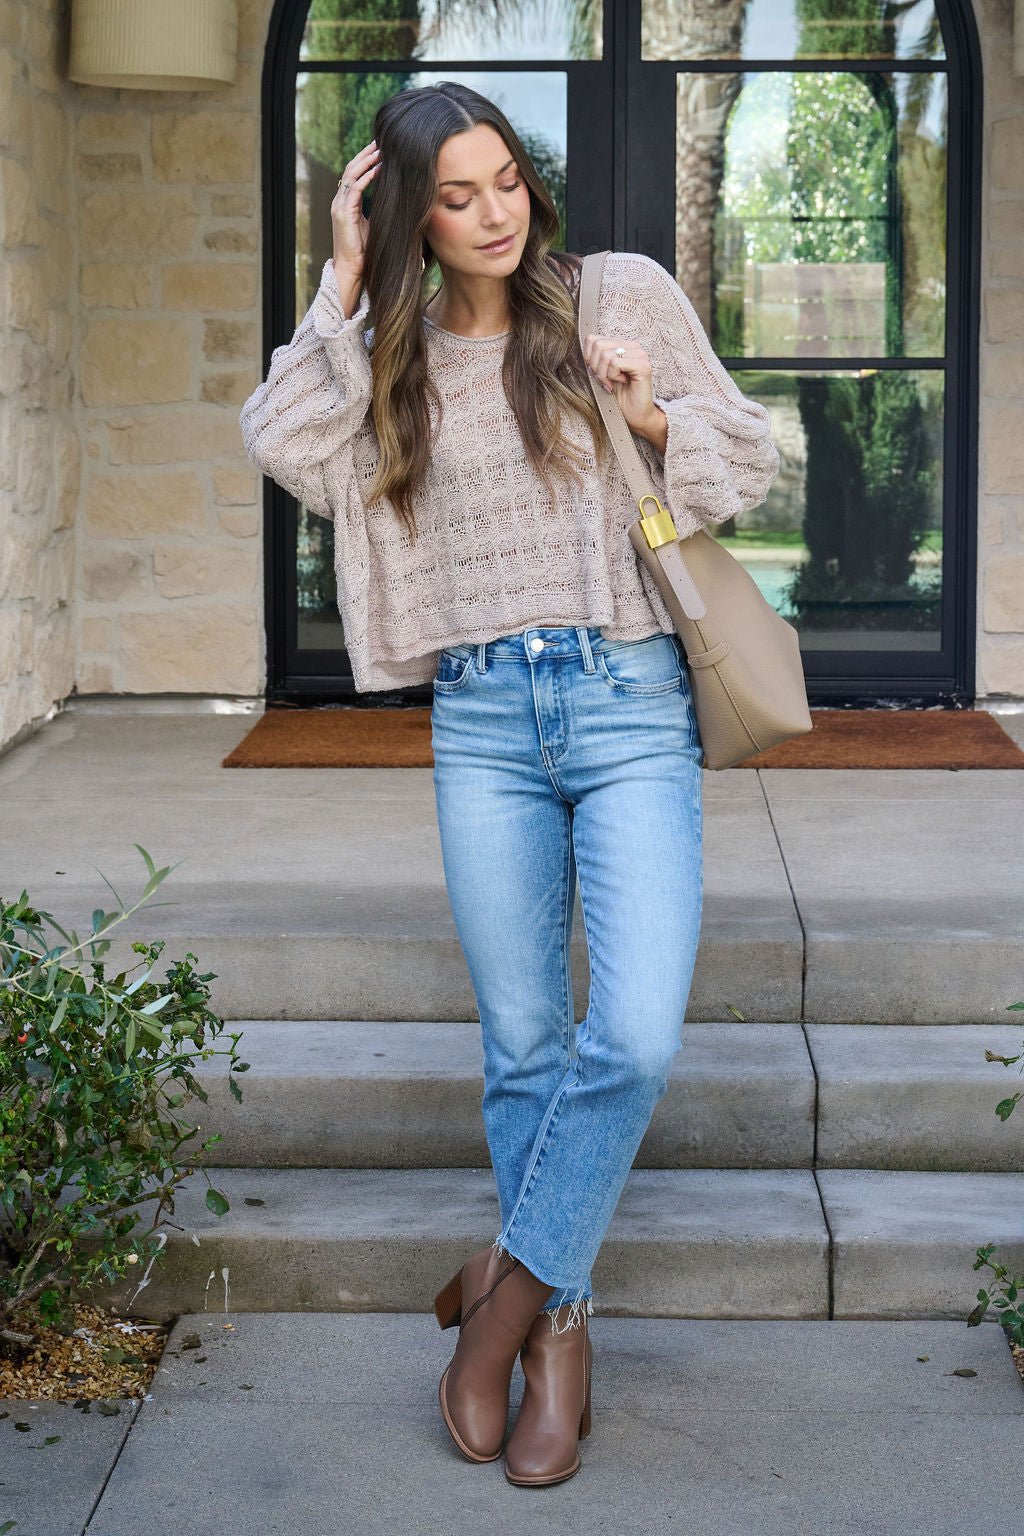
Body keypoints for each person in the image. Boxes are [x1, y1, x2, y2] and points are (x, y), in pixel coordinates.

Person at [240, 81, 780, 1488]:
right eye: (454, 197)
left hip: (627, 701)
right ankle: (562, 1341)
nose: (493, 215)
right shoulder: (388, 355)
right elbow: (283, 441)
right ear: (409, 221)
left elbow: (749, 458)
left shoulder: (617, 294)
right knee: (527, 1048)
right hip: (482, 720)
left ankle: (500, 1305)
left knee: (636, 1035)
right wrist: (339, 282)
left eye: (506, 183)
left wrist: (650, 415)